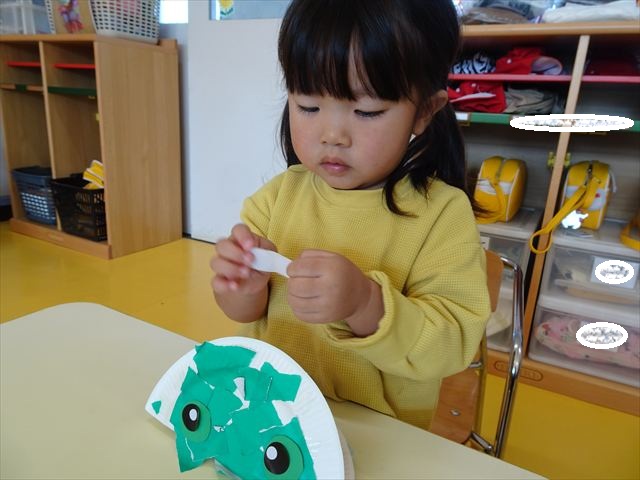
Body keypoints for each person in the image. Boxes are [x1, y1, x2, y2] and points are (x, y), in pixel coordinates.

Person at [210, 0, 491, 431]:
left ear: (424, 111)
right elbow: (246, 314)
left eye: (367, 111)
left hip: (376, 432)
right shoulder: (275, 198)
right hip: (271, 416)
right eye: (308, 106)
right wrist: (242, 287)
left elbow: (451, 346)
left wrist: (365, 304)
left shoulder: (442, 215)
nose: (333, 135)